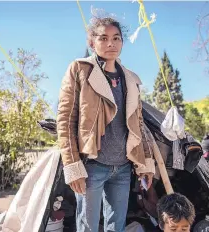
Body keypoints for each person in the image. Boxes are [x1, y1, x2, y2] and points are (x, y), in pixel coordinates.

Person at [57, 16, 156, 232]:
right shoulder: (80, 70)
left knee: (116, 227)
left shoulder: (130, 78)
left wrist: (144, 162)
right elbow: (65, 120)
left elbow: (139, 124)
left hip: (122, 167)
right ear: (92, 42)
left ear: (122, 42)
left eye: (116, 38)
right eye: (103, 38)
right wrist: (73, 165)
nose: (111, 43)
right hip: (92, 165)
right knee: (88, 227)